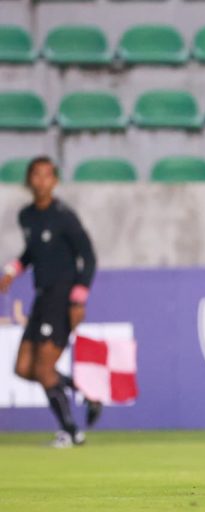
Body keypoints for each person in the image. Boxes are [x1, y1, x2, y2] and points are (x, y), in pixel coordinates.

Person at [0, 156, 99, 448]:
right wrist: (13, 270)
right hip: (41, 295)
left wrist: (78, 298)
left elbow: (88, 257)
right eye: (36, 175)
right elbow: (33, 252)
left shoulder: (64, 216)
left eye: (47, 175)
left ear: (54, 181)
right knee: (23, 368)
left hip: (62, 297)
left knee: (44, 369)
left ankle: (71, 432)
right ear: (29, 180)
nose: (41, 181)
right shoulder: (27, 216)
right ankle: (88, 395)